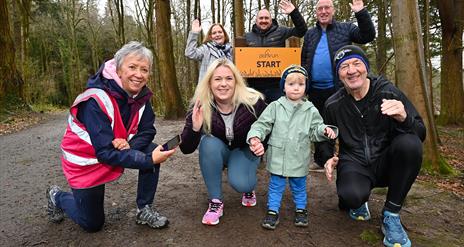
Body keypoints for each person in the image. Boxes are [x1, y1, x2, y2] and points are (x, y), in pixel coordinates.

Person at [46, 41, 176, 232]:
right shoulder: (94, 100)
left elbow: (148, 130)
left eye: (144, 70)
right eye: (132, 67)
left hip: (112, 152)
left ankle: (144, 209)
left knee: (152, 148)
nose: (138, 75)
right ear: (118, 69)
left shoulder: (141, 97)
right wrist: (147, 160)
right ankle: (57, 196)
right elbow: (105, 152)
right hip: (86, 164)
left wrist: (129, 145)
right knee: (92, 224)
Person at [322, 45, 426, 247]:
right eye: (344, 67)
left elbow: (420, 132)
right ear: (339, 75)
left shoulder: (388, 92)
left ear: (366, 68)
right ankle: (359, 201)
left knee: (410, 143)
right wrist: (326, 156)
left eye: (356, 63)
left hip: (386, 161)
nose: (351, 70)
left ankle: (392, 214)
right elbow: (325, 138)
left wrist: (404, 119)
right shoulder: (333, 104)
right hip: (355, 163)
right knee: (350, 198)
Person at [247, 65, 338, 230]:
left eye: (300, 84)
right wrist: (255, 137)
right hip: (278, 157)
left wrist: (324, 130)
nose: (296, 88)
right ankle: (273, 211)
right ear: (283, 86)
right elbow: (261, 124)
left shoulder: (310, 110)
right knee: (275, 186)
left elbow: (315, 129)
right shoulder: (275, 106)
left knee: (299, 186)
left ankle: (301, 210)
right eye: (291, 84)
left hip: (298, 156)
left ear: (305, 87)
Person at [179, 58, 267, 226]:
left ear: (236, 81)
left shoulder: (253, 102)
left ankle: (248, 187)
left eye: (228, 78)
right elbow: (186, 148)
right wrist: (195, 129)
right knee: (207, 143)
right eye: (217, 79)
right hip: (219, 150)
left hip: (244, 149)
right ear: (210, 83)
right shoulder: (200, 106)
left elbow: (270, 127)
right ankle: (216, 201)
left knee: (242, 184)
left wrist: (261, 142)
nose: (223, 84)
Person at [301, 0, 375, 169]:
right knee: (319, 125)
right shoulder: (310, 34)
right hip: (315, 90)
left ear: (333, 10)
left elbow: (368, 35)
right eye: (320, 8)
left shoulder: (346, 28)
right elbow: (304, 59)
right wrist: (304, 83)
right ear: (316, 12)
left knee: (347, 124)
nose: (324, 11)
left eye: (327, 8)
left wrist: (361, 12)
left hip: (340, 89)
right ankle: (322, 160)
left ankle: (354, 161)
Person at [245, 0, 307, 103]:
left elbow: (302, 31)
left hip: (277, 87)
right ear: (256, 20)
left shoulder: (281, 31)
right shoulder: (247, 37)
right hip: (254, 87)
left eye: (266, 18)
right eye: (261, 18)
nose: (263, 20)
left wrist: (293, 13)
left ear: (271, 19)